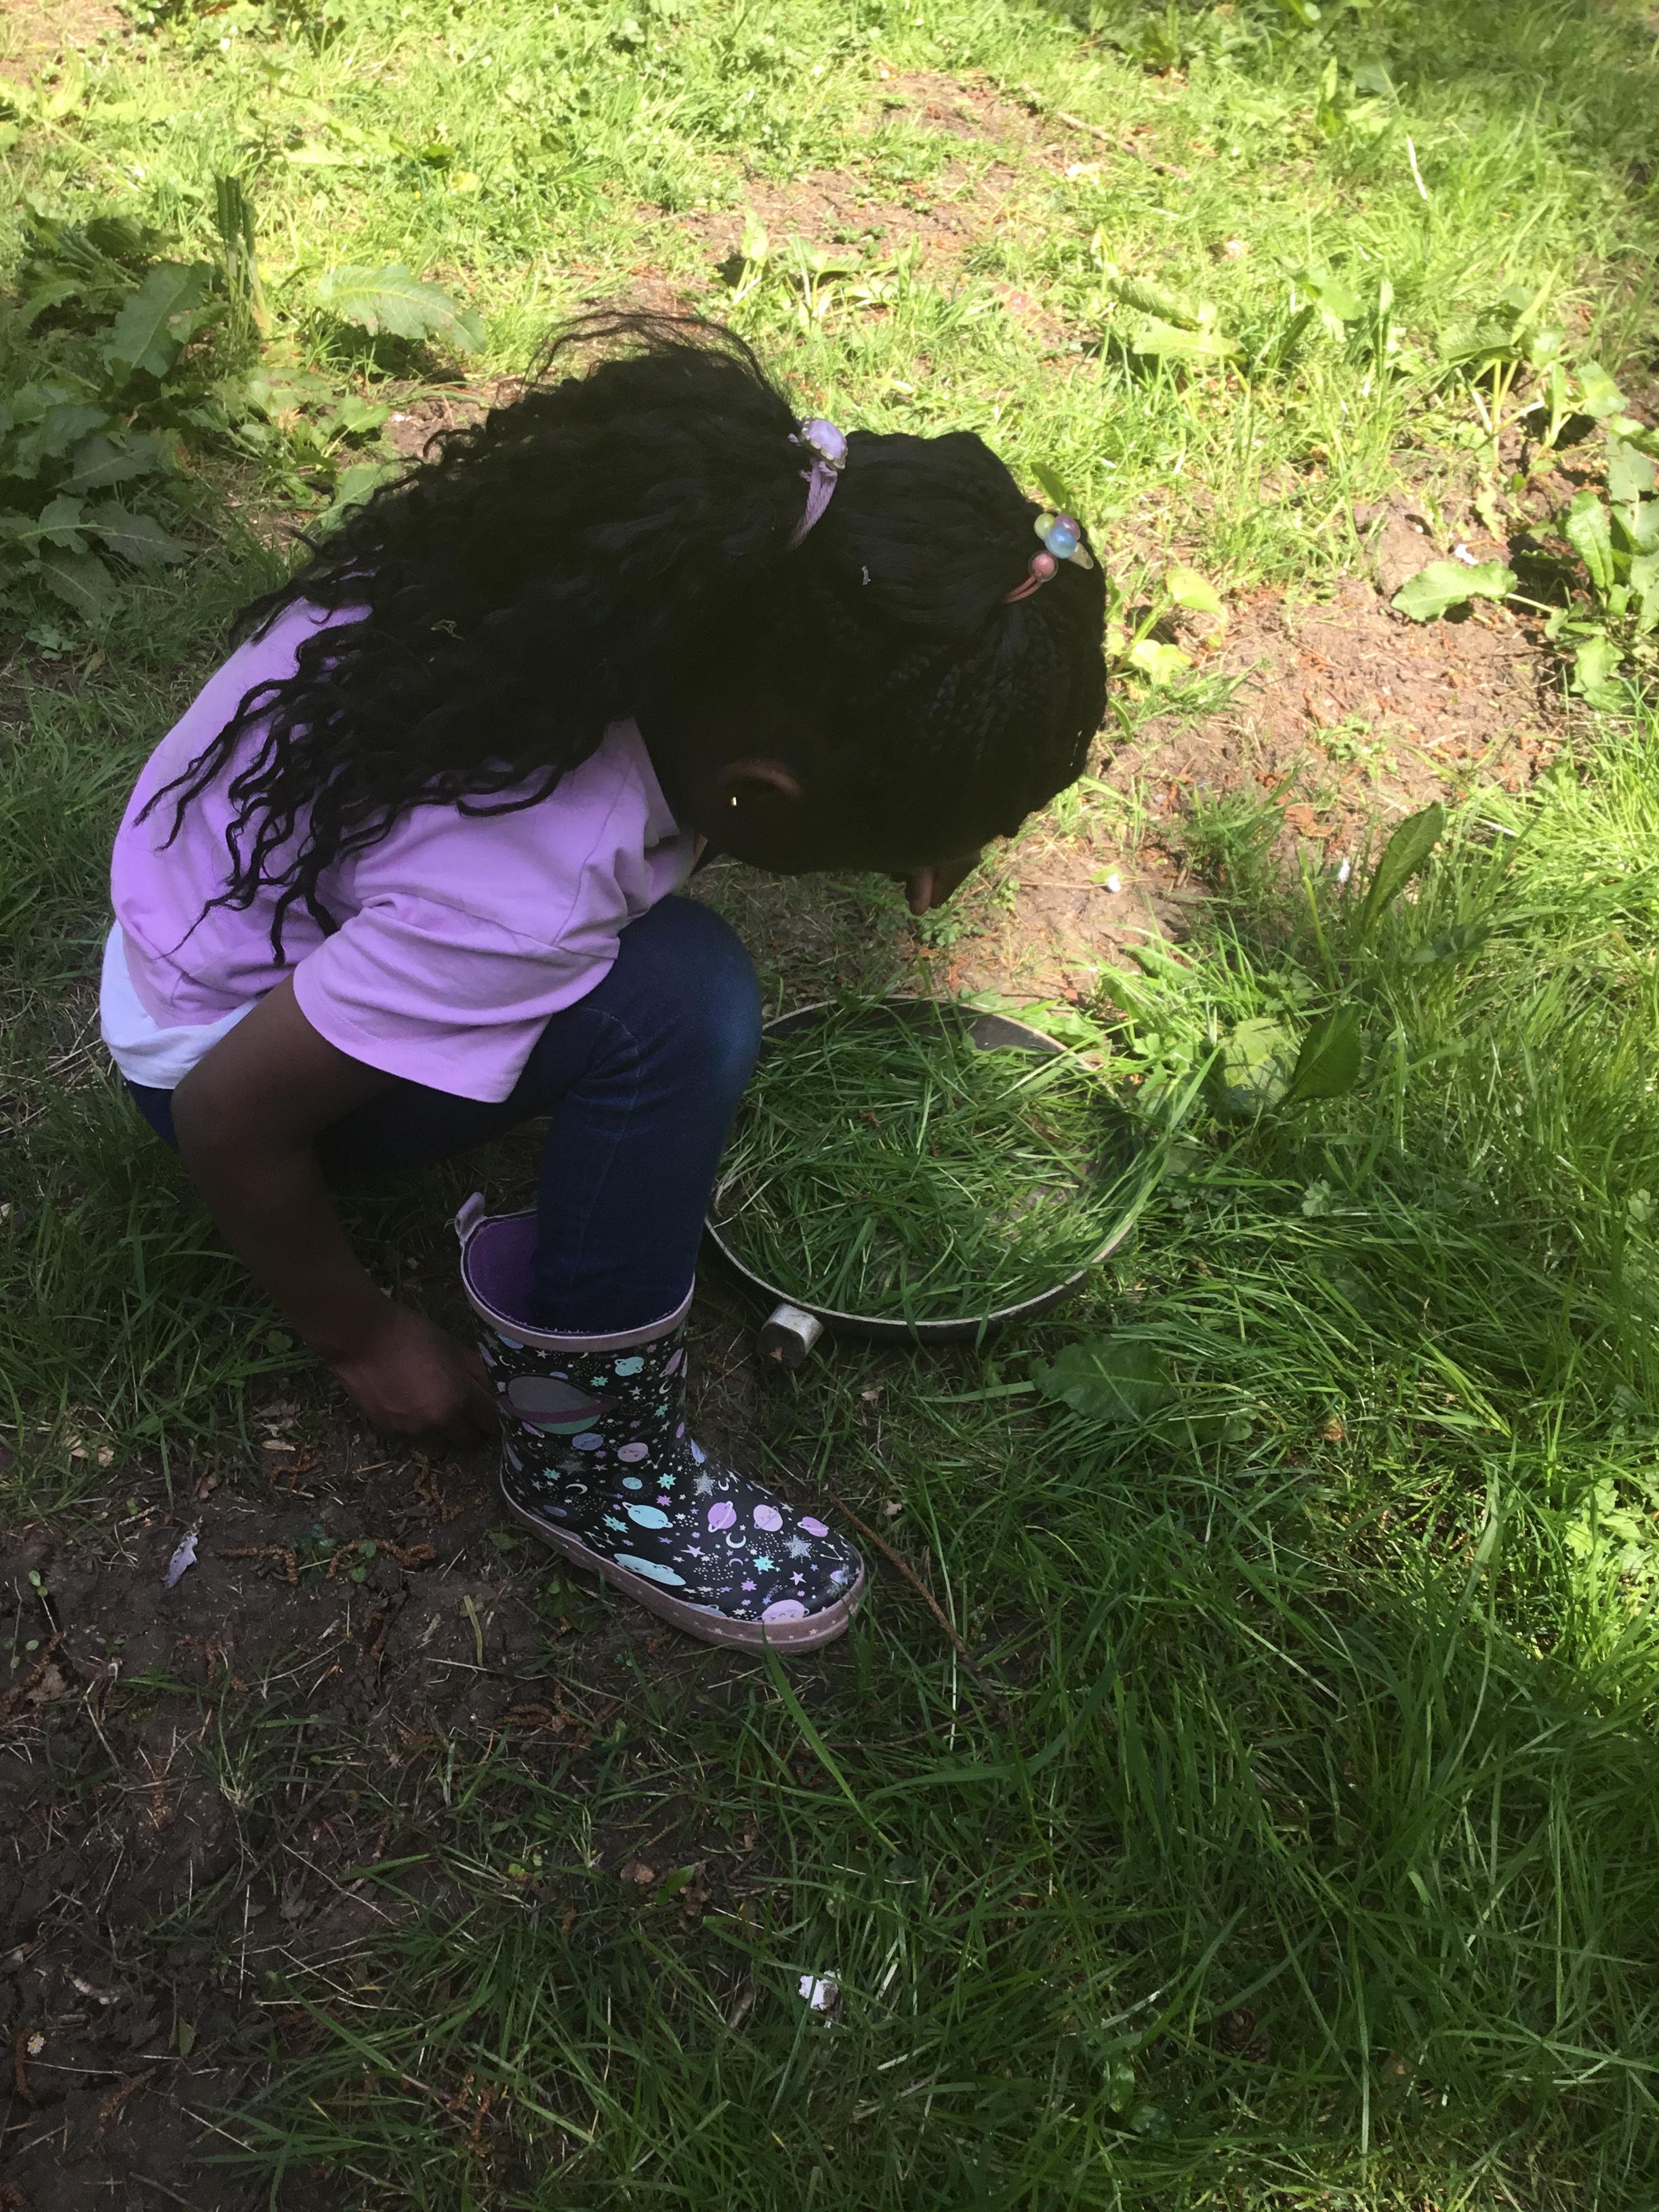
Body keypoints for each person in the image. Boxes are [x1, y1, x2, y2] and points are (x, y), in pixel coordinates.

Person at [100, 312, 1107, 1652]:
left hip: (220, 910)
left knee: (638, 971)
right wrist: (359, 1336)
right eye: (911, 856)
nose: (929, 890)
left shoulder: (755, 536)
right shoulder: (529, 884)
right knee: (683, 1004)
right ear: (759, 795)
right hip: (217, 1055)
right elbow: (229, 1118)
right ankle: (589, 1459)